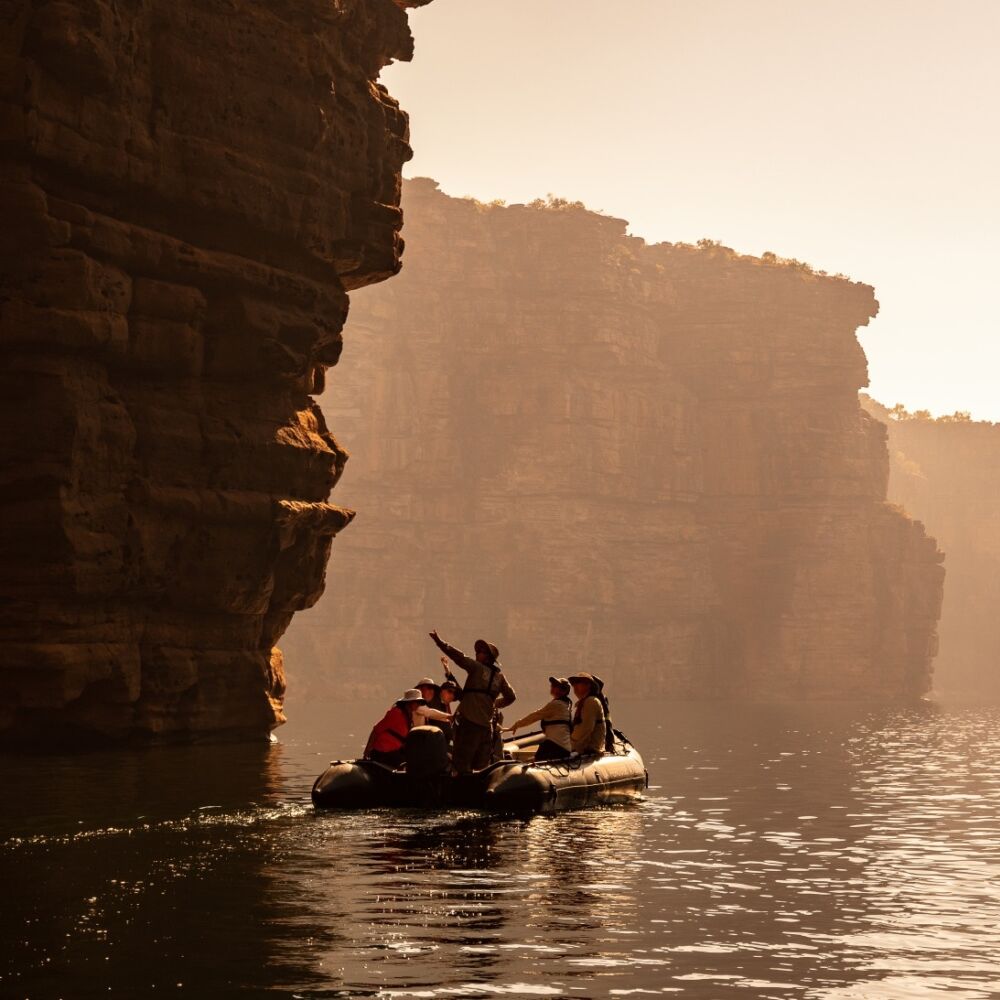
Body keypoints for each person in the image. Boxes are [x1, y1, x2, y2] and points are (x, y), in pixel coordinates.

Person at [429, 630, 515, 773]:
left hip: (469, 724)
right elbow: (511, 697)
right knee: (482, 766)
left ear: (487, 657)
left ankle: (460, 792)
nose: (477, 653)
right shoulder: (500, 678)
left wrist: (439, 642)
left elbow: (459, 657)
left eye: (480, 651)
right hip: (487, 728)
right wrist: (493, 703)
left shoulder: (476, 668)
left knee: (461, 762)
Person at [505, 676, 572, 760]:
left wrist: (517, 724)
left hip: (555, 746)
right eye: (553, 685)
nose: (552, 687)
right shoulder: (565, 704)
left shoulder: (557, 705)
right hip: (562, 747)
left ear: (564, 691)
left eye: (556, 686)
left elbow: (535, 716)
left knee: (530, 763)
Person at [363, 689, 428, 769]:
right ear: (409, 703)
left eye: (419, 703)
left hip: (395, 751)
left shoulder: (408, 715)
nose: (418, 705)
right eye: (417, 702)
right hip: (384, 752)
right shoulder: (396, 713)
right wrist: (367, 751)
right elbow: (376, 730)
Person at [569, 672, 606, 755]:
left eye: (578, 683)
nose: (575, 686)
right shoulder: (583, 702)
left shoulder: (591, 701)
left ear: (588, 685)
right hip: (583, 745)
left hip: (589, 747)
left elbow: (586, 728)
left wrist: (569, 743)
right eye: (573, 684)